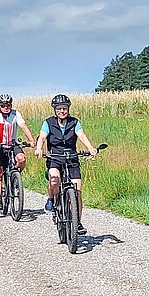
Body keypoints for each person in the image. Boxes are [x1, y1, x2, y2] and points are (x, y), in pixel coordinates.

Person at [34, 94, 97, 236]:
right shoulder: (48, 123)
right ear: (55, 110)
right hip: (55, 157)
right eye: (59, 109)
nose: (62, 111)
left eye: (64, 108)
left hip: (71, 158)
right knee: (54, 181)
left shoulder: (74, 122)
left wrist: (90, 148)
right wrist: (39, 149)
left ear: (68, 109)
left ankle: (77, 222)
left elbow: (81, 135)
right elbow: (42, 137)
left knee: (77, 190)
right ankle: (52, 199)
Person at [0, 94, 36, 210]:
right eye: (3, 105)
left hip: (12, 144)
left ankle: (15, 176)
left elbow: (23, 126)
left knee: (21, 159)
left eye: (8, 105)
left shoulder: (15, 113)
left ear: (11, 105)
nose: (6, 107)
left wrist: (31, 140)